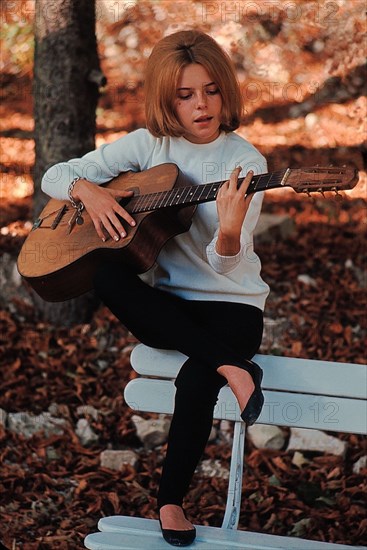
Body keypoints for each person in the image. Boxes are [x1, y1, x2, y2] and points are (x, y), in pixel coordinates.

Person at [41, 29, 270, 547]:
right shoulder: (150, 146)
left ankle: (170, 501)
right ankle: (233, 366)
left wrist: (230, 232)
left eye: (211, 90)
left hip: (233, 308)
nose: (201, 105)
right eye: (185, 95)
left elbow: (228, 268)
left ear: (225, 91)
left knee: (196, 378)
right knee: (104, 273)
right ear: (167, 99)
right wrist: (90, 194)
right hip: (171, 307)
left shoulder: (247, 163)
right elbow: (56, 174)